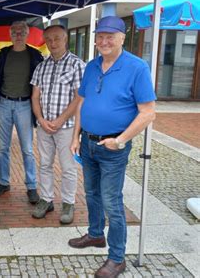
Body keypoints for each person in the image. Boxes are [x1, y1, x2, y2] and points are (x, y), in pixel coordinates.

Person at [68, 16, 156, 278]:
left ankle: (117, 258)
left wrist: (120, 140)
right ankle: (96, 235)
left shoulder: (137, 68)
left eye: (110, 36)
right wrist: (76, 136)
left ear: (122, 37)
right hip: (88, 143)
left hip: (113, 147)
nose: (104, 41)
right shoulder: (92, 66)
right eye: (100, 36)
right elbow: (82, 103)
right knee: (92, 194)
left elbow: (148, 113)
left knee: (111, 201)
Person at [30, 25, 85, 224]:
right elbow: (35, 96)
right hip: (44, 126)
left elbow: (80, 97)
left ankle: (68, 203)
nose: (52, 43)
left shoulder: (77, 65)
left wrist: (60, 120)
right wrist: (41, 119)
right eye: (49, 40)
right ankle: (46, 199)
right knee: (45, 164)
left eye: (57, 39)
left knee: (68, 167)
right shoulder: (41, 66)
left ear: (65, 39)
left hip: (67, 126)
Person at [0, 20, 43, 204]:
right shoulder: (3, 54)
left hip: (25, 105)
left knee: (28, 149)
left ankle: (31, 186)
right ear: (10, 34)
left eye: (21, 31)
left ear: (27, 33)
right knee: (3, 147)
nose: (18, 34)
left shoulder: (35, 56)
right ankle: (4, 182)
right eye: (14, 31)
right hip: (5, 103)